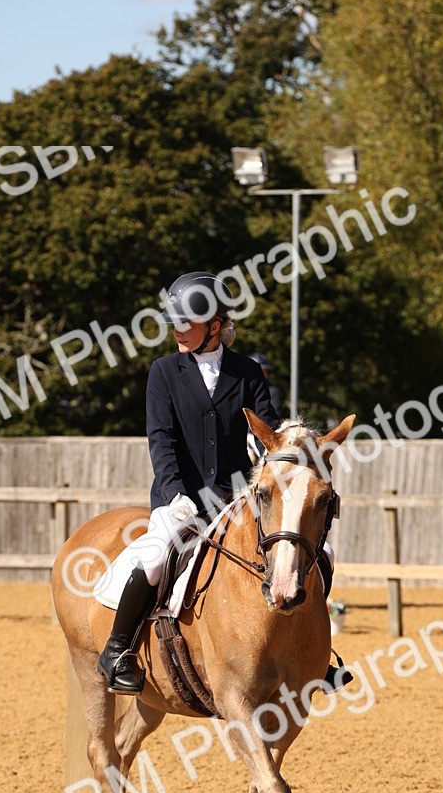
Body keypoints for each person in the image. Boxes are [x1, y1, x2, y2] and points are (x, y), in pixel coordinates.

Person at [97, 271, 350, 695]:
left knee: (320, 550)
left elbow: (264, 431)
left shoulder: (247, 373)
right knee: (157, 554)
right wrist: (175, 492)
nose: (178, 331)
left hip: (238, 497)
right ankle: (118, 649)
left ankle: (312, 655)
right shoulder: (163, 373)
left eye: (187, 324)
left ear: (215, 325)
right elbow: (162, 440)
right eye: (175, 323)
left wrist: (287, 449)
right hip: (181, 498)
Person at [249, 352, 285, 421]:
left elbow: (274, 416)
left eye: (264, 371)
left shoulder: (273, 391)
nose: (262, 374)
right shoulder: (240, 389)